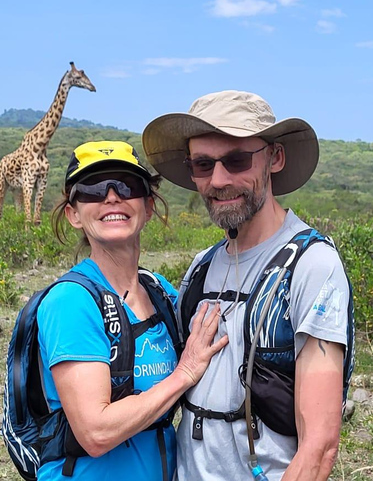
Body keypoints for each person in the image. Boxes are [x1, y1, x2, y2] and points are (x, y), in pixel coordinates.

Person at [142, 91, 354, 481]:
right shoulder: (202, 268)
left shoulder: (310, 266)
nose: (218, 180)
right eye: (203, 164)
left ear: (275, 158)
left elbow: (319, 447)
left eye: (237, 160)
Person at [36, 140, 228, 480]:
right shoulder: (71, 302)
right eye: (93, 189)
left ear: (148, 205)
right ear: (73, 214)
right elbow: (96, 433)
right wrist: (183, 374)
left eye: (128, 186)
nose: (112, 196)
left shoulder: (161, 295)